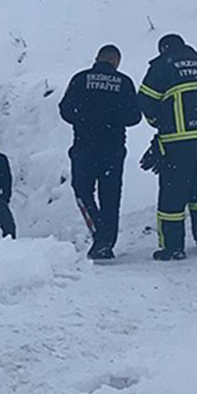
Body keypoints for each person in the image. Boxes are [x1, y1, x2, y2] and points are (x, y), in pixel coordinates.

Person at [138, 34, 197, 261]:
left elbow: (146, 102)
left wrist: (161, 124)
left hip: (180, 139)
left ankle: (173, 247)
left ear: (164, 49)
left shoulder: (163, 66)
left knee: (173, 191)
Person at [58, 44, 142, 260]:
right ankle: (106, 243)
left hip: (84, 146)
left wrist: (84, 118)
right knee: (111, 197)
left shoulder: (80, 79)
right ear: (116, 61)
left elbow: (65, 110)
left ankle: (100, 236)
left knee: (82, 191)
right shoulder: (124, 82)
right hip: (113, 149)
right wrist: (113, 118)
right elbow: (134, 116)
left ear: (97, 58)